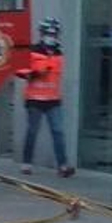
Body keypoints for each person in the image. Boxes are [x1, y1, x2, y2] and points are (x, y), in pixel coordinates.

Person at [17, 18, 75, 178]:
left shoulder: (58, 52)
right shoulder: (33, 50)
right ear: (42, 34)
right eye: (49, 33)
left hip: (53, 99)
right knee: (32, 131)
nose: (52, 36)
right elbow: (19, 70)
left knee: (58, 131)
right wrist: (34, 74)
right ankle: (26, 163)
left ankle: (62, 166)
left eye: (54, 34)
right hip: (35, 98)